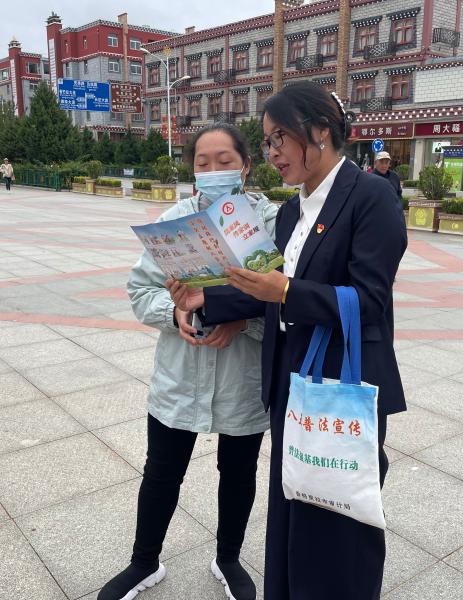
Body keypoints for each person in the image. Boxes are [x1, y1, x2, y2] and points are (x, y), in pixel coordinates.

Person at [170, 82, 407, 599]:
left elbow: (370, 300)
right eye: (268, 141)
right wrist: (204, 300)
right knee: (294, 503)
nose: (272, 152)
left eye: (280, 137)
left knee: (339, 516)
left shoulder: (371, 197)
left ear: (319, 131)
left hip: (341, 382)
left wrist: (288, 291)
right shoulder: (291, 211)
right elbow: (266, 290)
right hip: (290, 381)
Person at [97, 123, 278, 600]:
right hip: (181, 373)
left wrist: (241, 322)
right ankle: (143, 563)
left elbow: (283, 302)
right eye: (203, 162)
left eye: (225, 161)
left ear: (246, 166)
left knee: (238, 473)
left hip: (242, 377)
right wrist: (173, 311)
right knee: (161, 471)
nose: (213, 170)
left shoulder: (269, 224)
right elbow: (141, 291)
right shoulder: (174, 223)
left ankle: (228, 559)